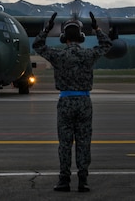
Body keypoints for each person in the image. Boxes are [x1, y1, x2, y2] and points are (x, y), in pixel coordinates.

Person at [32, 11, 112, 192]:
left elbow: (37, 45)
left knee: (65, 143)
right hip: (84, 102)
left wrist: (47, 29)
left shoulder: (58, 56)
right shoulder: (88, 55)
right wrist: (97, 28)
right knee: (84, 142)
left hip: (65, 101)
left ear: (63, 38)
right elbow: (107, 44)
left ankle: (64, 180)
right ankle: (83, 181)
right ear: (81, 37)